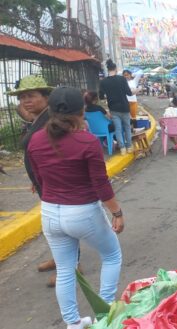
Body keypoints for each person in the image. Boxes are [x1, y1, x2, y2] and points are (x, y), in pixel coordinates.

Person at [27, 87, 124, 329]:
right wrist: (117, 212)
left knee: (65, 270)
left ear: (50, 110)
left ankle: (73, 323)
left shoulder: (35, 140)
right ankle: (105, 315)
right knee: (112, 255)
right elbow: (100, 185)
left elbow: (38, 178)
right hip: (82, 212)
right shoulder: (87, 142)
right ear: (81, 110)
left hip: (50, 212)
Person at [9, 75, 63, 287]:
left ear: (46, 97)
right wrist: (36, 177)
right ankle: (60, 259)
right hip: (43, 181)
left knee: (60, 225)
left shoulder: (52, 120)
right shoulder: (38, 119)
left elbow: (57, 154)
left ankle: (71, 265)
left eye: (31, 96)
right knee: (53, 225)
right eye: (22, 97)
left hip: (55, 183)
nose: (25, 101)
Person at [99, 59, 133, 155]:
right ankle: (129, 147)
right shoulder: (122, 79)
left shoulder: (103, 82)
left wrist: (108, 95)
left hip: (113, 108)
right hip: (124, 107)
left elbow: (101, 97)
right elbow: (129, 93)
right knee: (127, 127)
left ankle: (122, 149)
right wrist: (136, 90)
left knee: (118, 129)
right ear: (116, 69)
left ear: (108, 69)